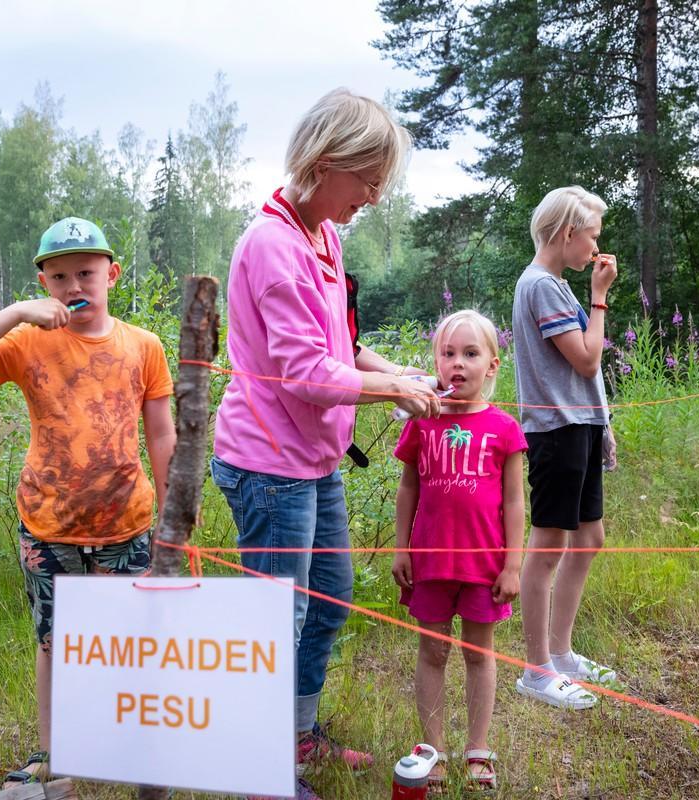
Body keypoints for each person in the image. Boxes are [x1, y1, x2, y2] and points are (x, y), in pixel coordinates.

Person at [209, 88, 440, 800]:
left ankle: (297, 737)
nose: (372, 196)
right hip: (268, 464)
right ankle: (262, 767)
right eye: (367, 180)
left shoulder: (324, 237)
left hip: (311, 460)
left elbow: (340, 345)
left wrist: (400, 373)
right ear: (325, 160)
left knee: (331, 598)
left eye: (380, 183)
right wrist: (396, 392)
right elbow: (306, 374)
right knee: (280, 617)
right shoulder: (272, 245)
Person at [0, 217, 176, 788]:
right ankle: (53, 755)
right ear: (44, 282)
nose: (75, 286)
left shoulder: (143, 347)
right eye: (60, 275)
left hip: (127, 527)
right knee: (55, 643)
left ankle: (129, 744)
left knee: (128, 643)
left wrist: (173, 516)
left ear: (111, 275)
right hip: (49, 527)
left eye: (87, 273)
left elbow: (163, 434)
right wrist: (16, 313)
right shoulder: (28, 342)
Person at [391, 310, 526, 794]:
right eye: (448, 354)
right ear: (436, 362)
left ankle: (477, 748)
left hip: (484, 567)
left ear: (492, 365)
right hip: (430, 564)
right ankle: (432, 751)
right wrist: (402, 548)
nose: (458, 364)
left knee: (477, 654)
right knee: (431, 650)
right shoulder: (422, 423)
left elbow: (514, 500)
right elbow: (408, 488)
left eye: (471, 354)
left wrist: (514, 564)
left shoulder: (504, 428)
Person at [512, 186, 620, 711]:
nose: (596, 248)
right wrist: (599, 297)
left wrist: (602, 424)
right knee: (549, 546)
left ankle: (560, 652)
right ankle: (536, 669)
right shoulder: (542, 286)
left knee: (589, 538)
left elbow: (583, 371)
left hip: (580, 427)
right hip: (556, 432)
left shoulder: (554, 286)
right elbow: (586, 360)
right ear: (567, 232)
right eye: (593, 236)